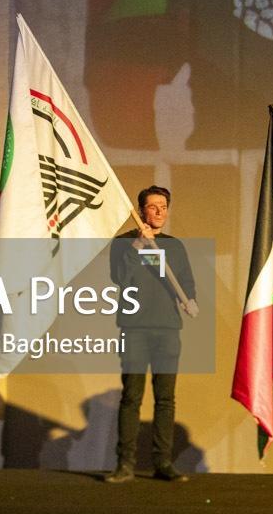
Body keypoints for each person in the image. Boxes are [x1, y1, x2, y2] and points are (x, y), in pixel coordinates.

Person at [104, 185, 197, 484]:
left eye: (164, 207)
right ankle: (125, 464)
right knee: (132, 396)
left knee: (165, 398)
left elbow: (185, 281)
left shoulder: (174, 246)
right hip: (134, 328)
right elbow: (120, 277)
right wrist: (138, 246)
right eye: (153, 206)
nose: (159, 212)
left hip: (168, 329)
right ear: (141, 210)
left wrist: (190, 299)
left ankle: (163, 462)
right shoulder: (123, 243)